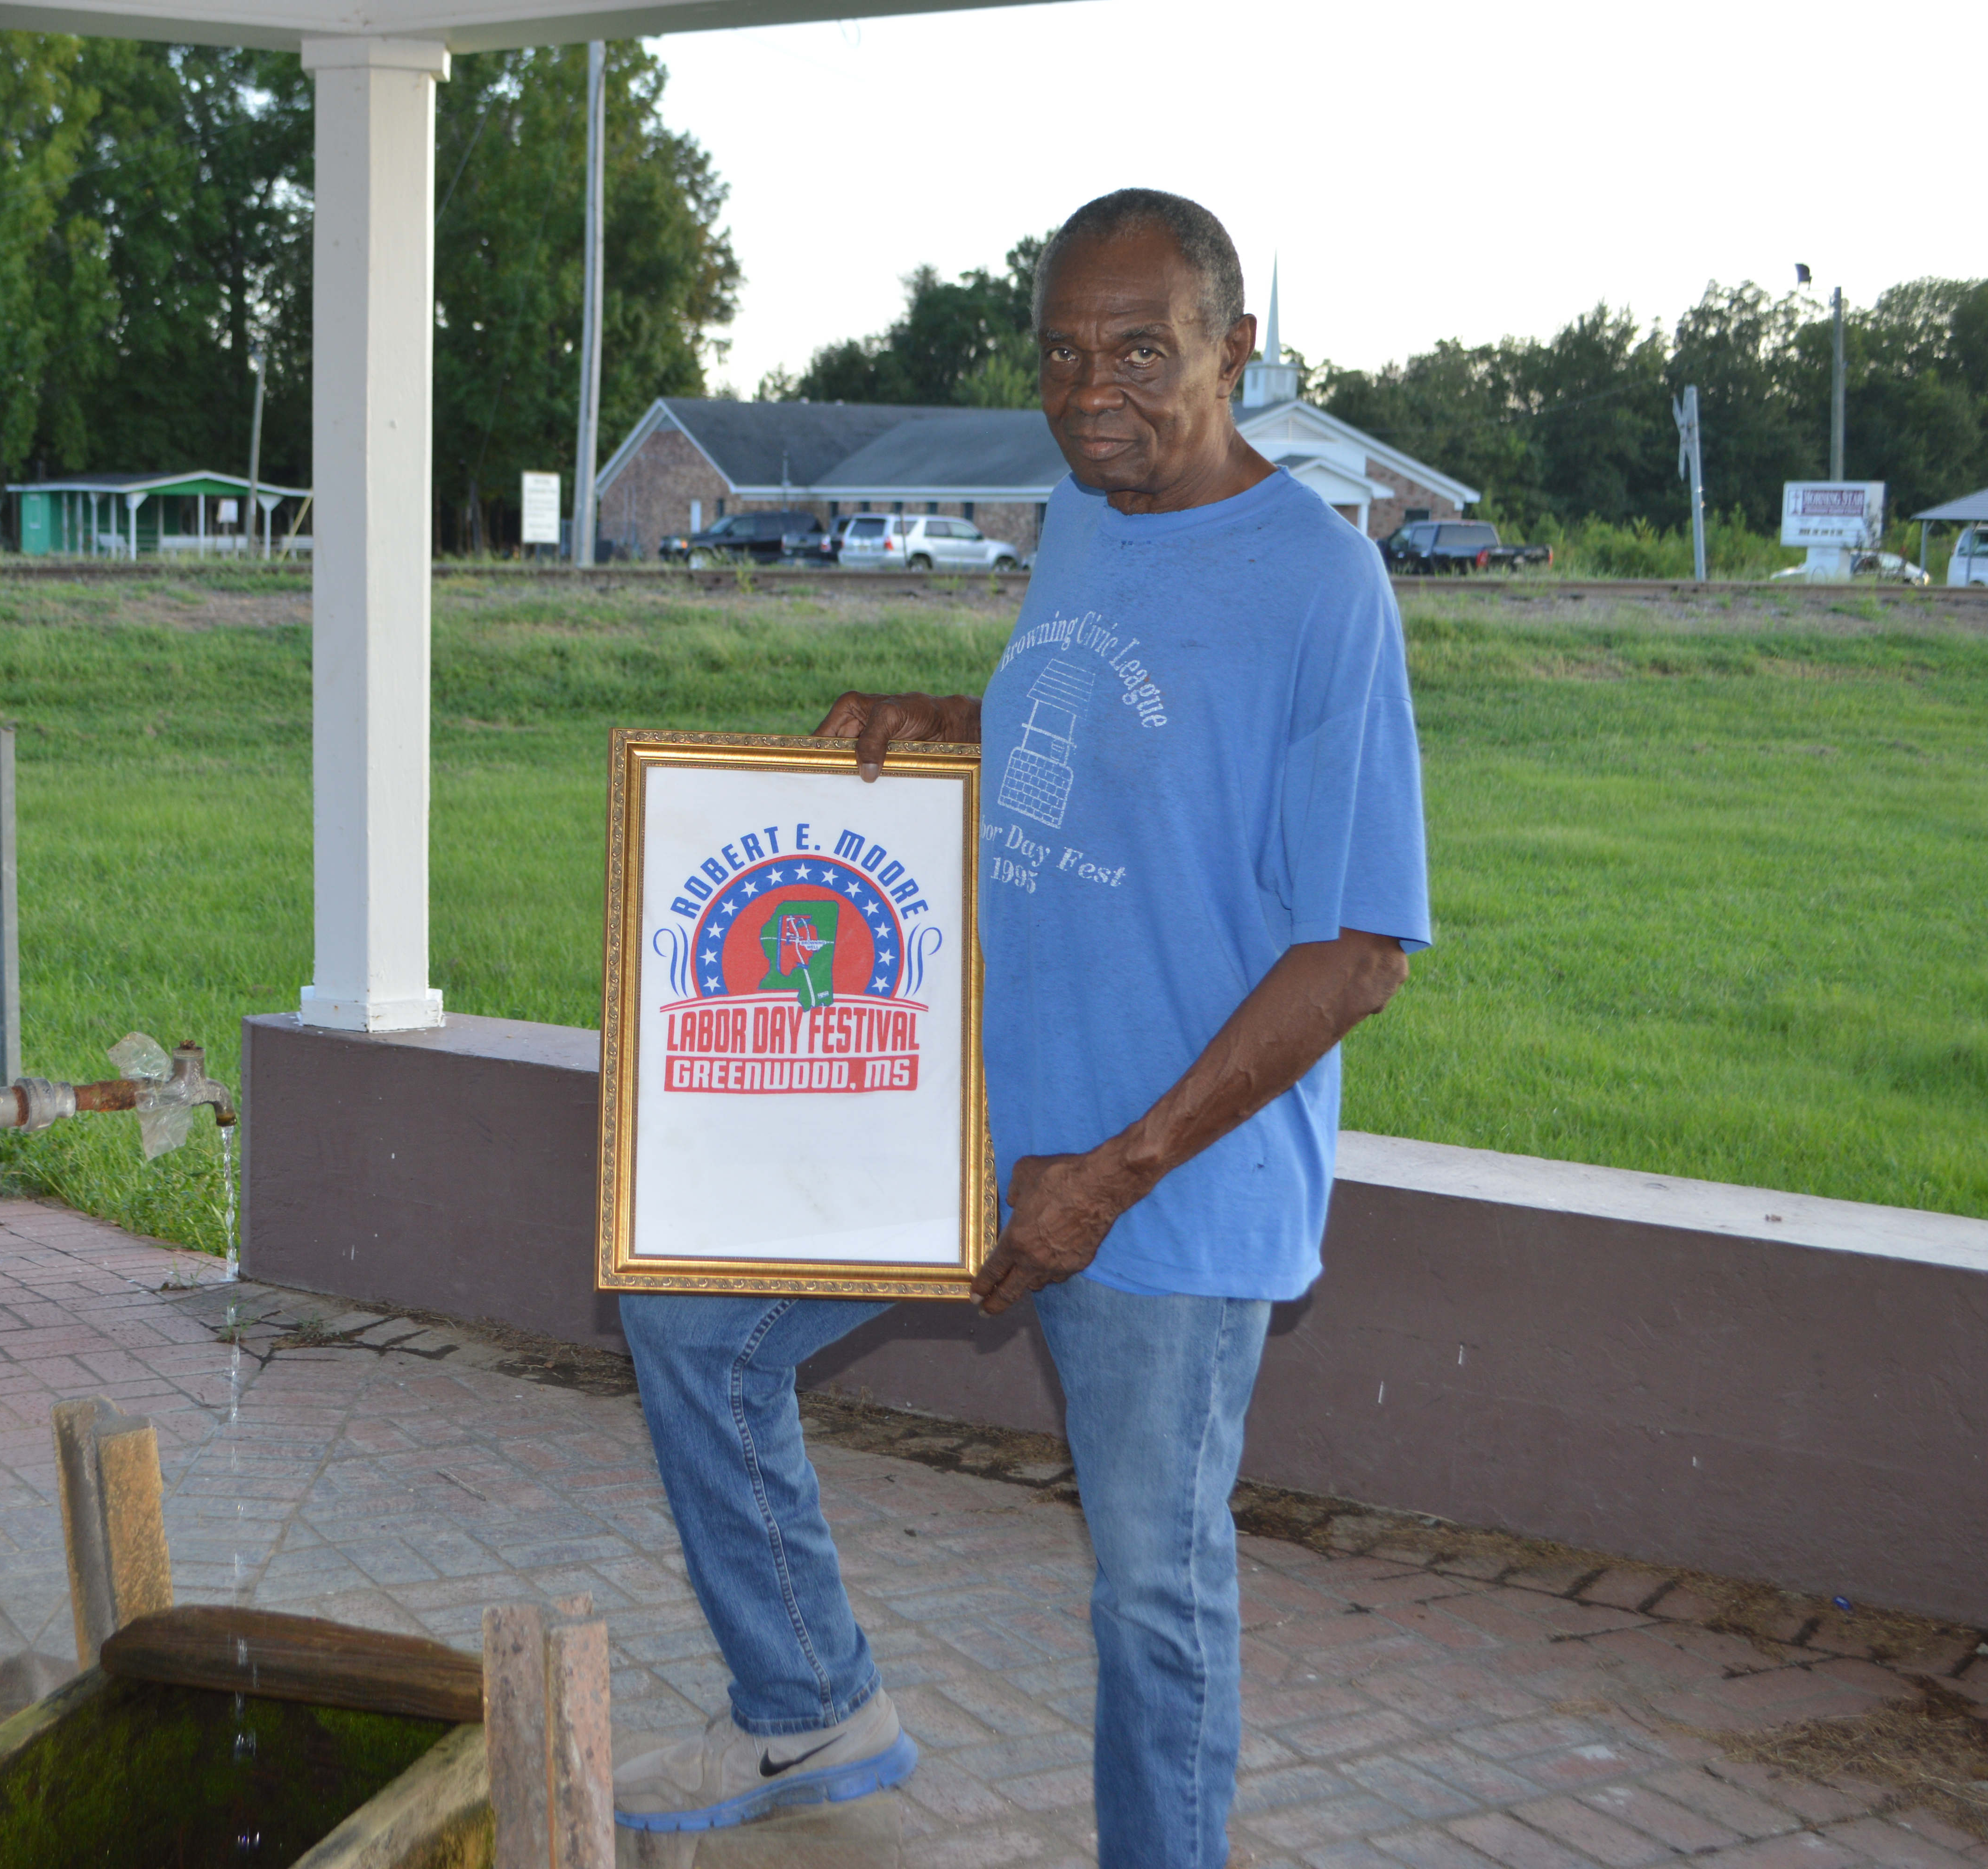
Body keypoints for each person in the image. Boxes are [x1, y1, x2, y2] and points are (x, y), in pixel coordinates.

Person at [612, 188, 1432, 1867]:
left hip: (1165, 1188)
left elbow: (1359, 952)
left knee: (1152, 1594)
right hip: (966, 1124)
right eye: (1062, 352)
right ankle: (818, 1712)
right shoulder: (1082, 517)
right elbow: (1105, 735)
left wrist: (1116, 1174)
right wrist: (948, 722)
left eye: (1139, 350)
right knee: (693, 1330)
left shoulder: (1324, 585)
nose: (1088, 390)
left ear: (1237, 352)